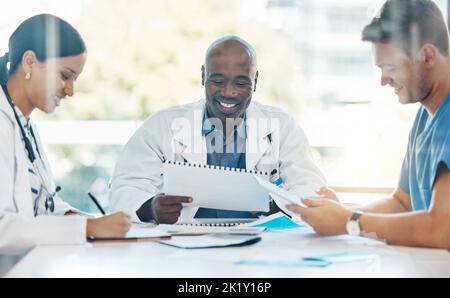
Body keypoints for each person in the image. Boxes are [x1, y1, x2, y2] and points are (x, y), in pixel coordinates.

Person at [109, 35, 326, 224]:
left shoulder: (282, 126)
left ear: (255, 80)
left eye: (241, 83)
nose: (229, 92)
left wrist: (272, 205)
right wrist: (151, 208)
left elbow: (311, 189)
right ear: (203, 76)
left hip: (261, 243)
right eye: (218, 81)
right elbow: (125, 188)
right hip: (184, 243)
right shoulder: (162, 125)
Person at [287, 0, 450, 249]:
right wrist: (340, 213)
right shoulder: (424, 116)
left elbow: (442, 229)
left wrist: (348, 222)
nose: (384, 80)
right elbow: (402, 203)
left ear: (427, 56)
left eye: (390, 67)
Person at [0, 14, 131, 254]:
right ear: (29, 62)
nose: (70, 90)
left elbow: (43, 202)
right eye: (65, 76)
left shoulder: (24, 125)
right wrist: (87, 227)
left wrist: (80, 217)